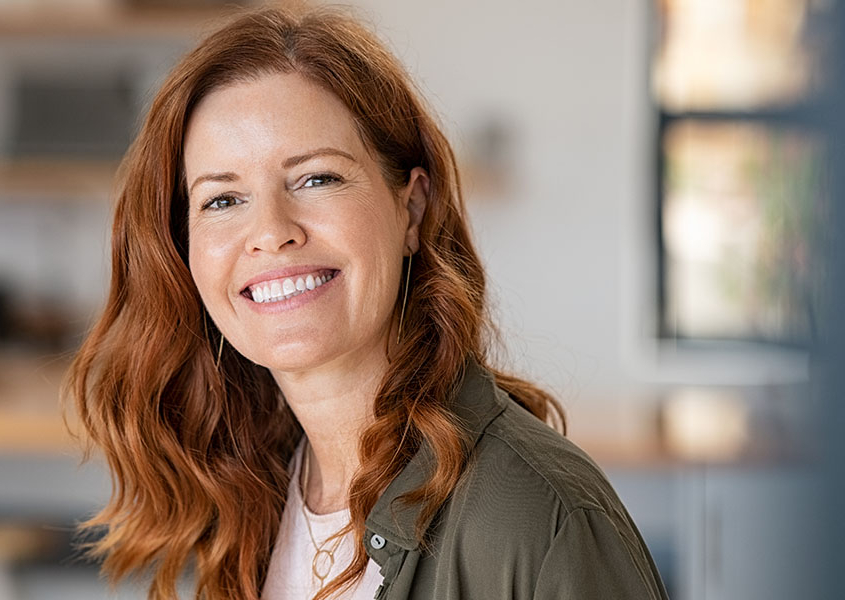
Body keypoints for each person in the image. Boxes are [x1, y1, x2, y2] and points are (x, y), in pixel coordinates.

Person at [66, 6, 668, 600]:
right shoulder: (246, 491)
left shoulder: (539, 518)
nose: (271, 231)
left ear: (411, 209)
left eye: (317, 178)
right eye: (222, 200)